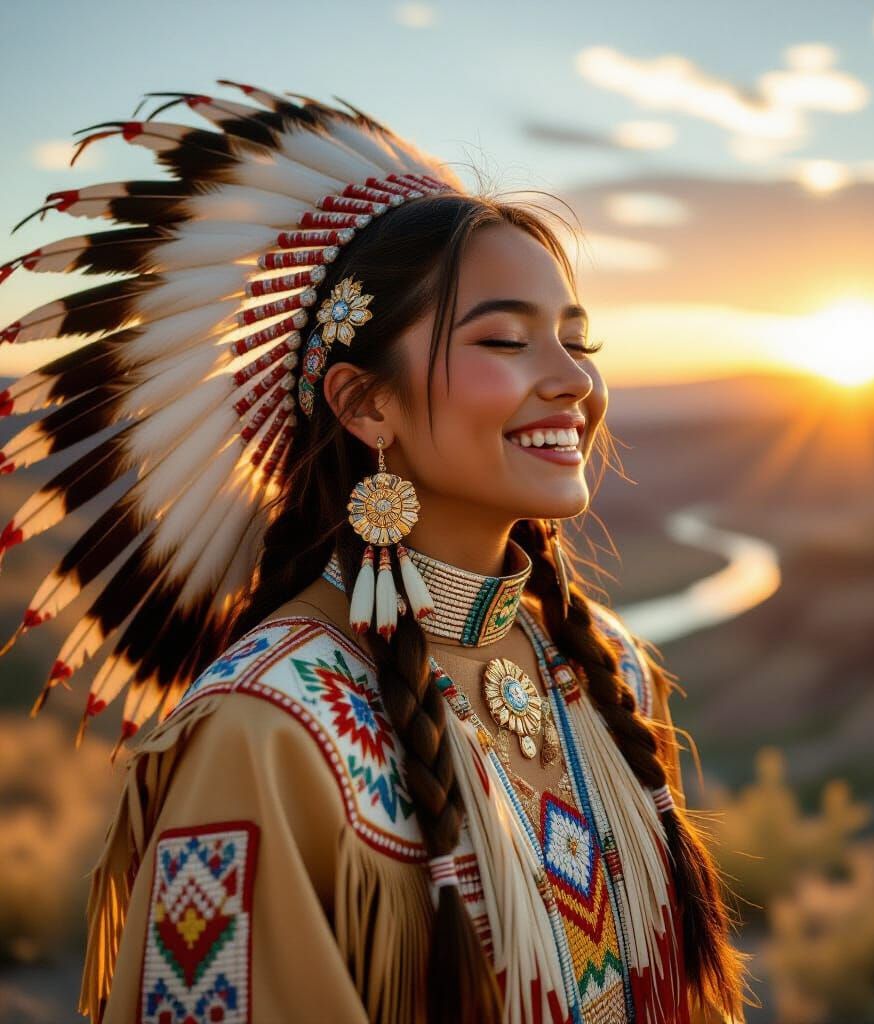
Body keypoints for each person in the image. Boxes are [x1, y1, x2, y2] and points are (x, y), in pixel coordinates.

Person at [0, 82, 753, 1023]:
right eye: (506, 340)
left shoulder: (610, 673)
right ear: (365, 405)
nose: (573, 381)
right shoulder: (266, 732)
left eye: (576, 339)